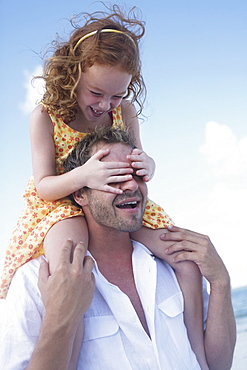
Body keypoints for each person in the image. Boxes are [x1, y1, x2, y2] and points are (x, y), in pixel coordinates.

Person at [1, 3, 204, 366]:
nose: (105, 104)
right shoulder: (46, 116)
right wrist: (85, 176)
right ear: (73, 75)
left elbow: (139, 160)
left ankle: (199, 358)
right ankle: (69, 355)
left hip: (115, 201)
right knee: (71, 271)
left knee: (185, 261)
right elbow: (44, 184)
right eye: (96, 93)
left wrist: (148, 164)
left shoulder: (123, 113)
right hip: (61, 204)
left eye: (117, 95)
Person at [0, 128, 236, 369]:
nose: (131, 185)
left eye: (137, 174)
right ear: (80, 193)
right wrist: (60, 320)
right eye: (114, 177)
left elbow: (216, 365)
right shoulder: (36, 281)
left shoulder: (175, 263)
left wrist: (220, 282)